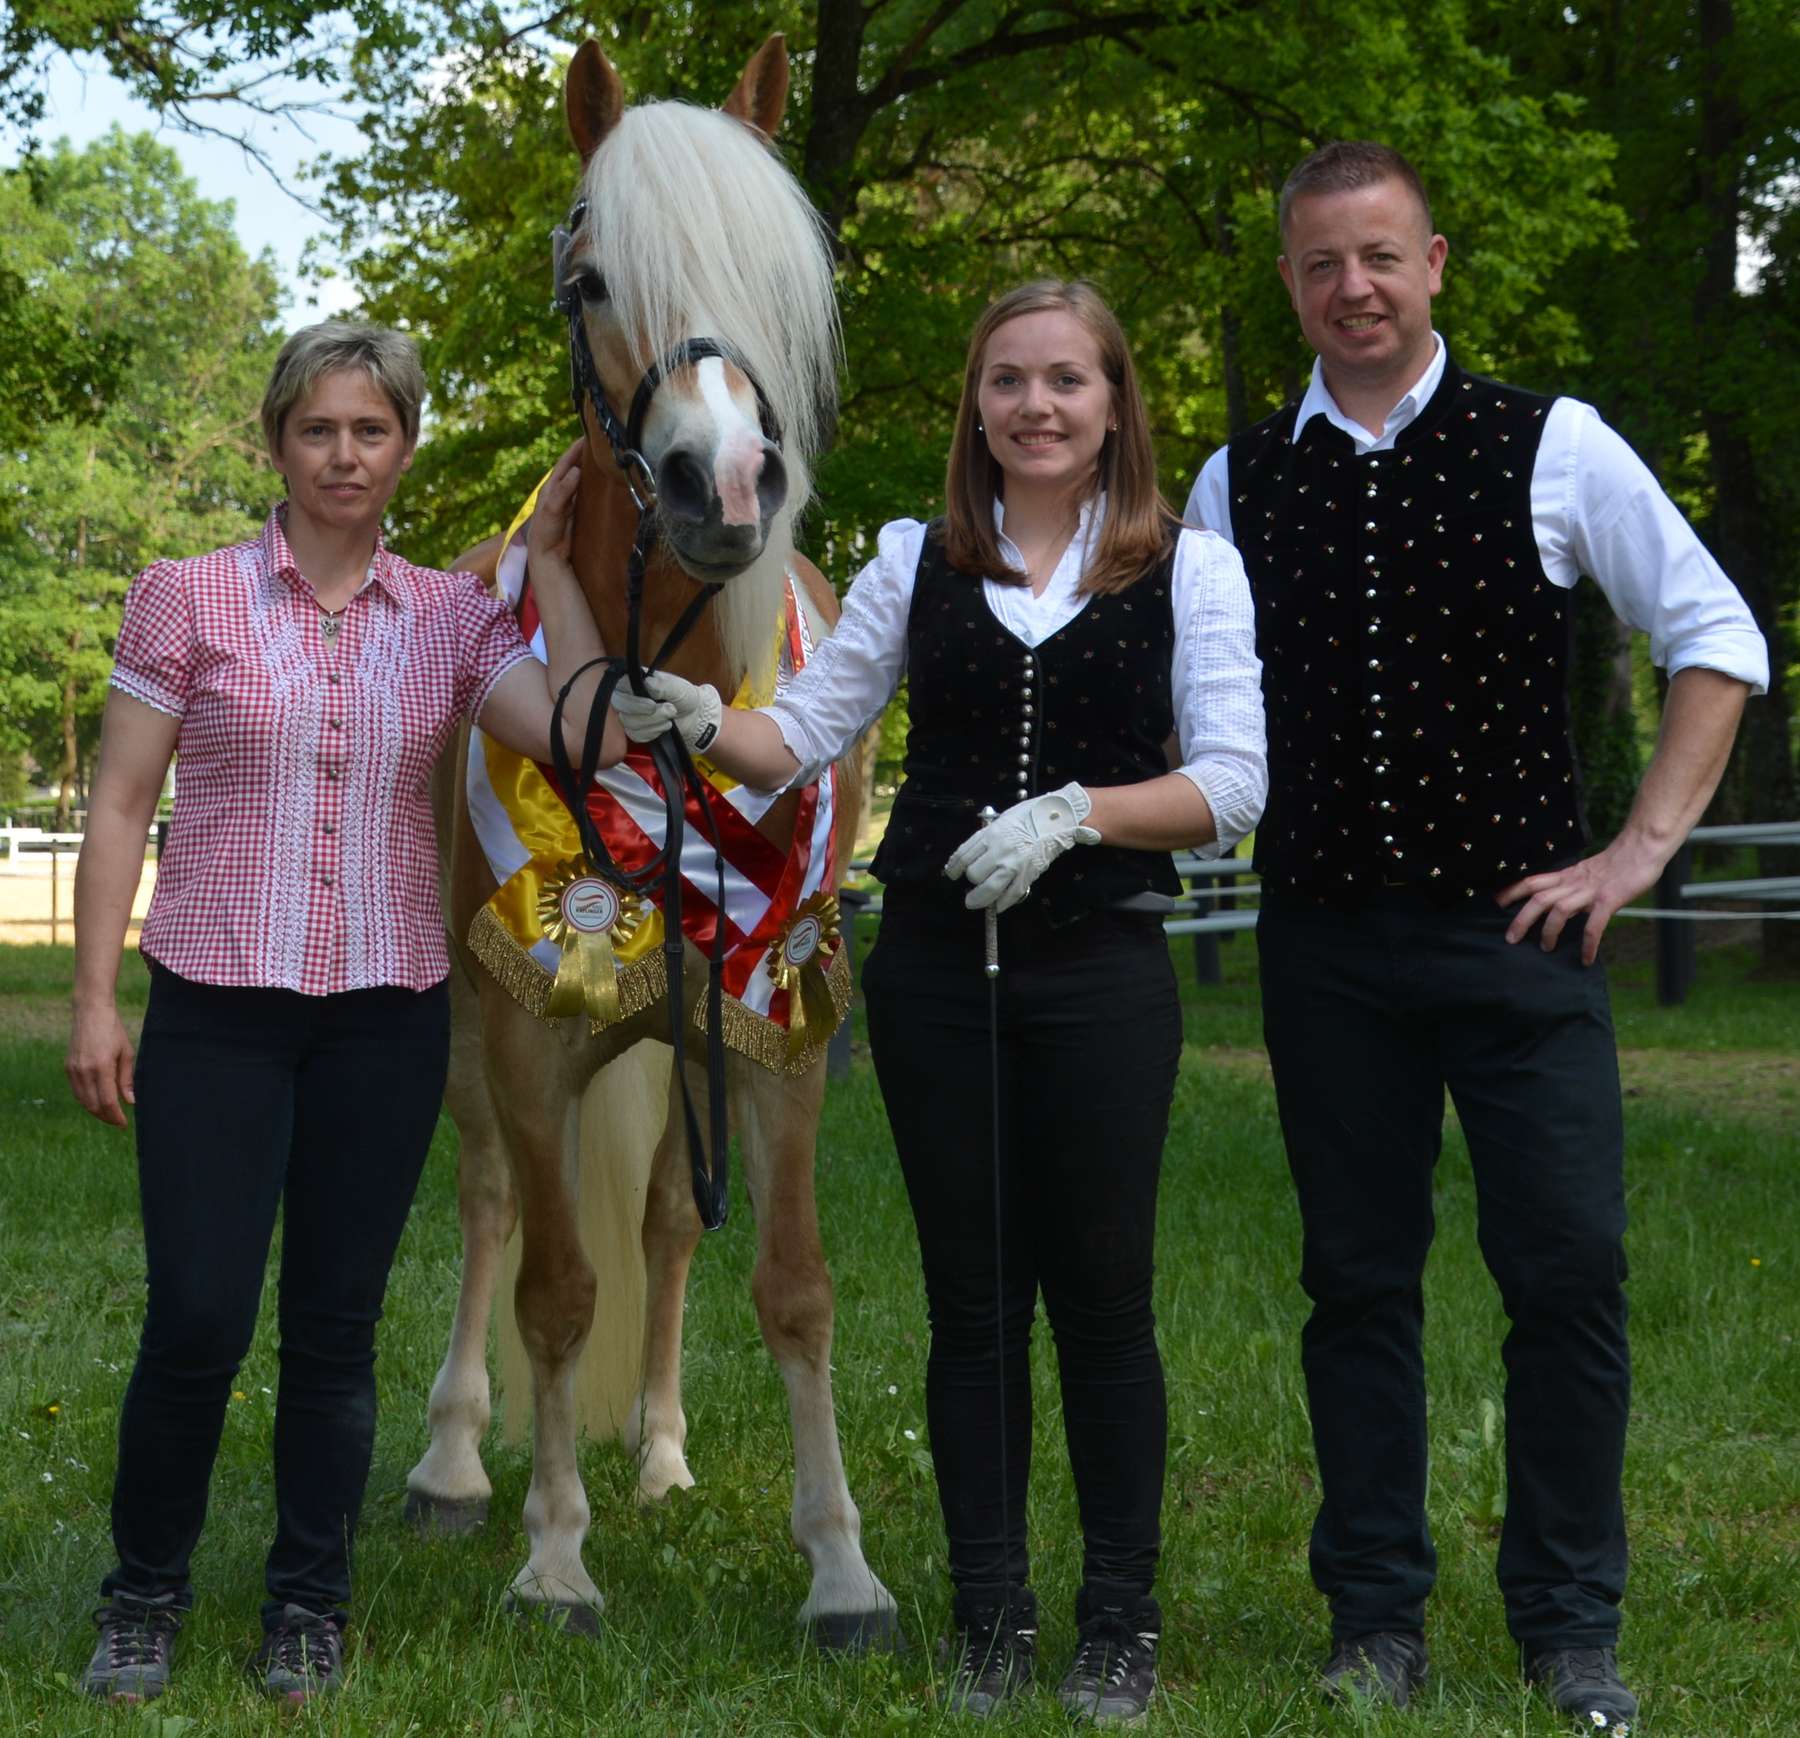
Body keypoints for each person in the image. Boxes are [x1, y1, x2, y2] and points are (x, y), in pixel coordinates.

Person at [607, 279, 1266, 1722]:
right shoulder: (917, 557)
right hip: (933, 982)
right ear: (977, 403)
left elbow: (1231, 783)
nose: (1036, 406)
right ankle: (989, 1611)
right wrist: (707, 723)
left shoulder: (1189, 567)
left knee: (1102, 1304)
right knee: (969, 1308)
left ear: (1113, 406)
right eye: (1010, 380)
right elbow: (803, 734)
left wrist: (1081, 813)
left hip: (1100, 976)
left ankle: (1119, 1620)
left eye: (1067, 382)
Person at [1188, 143, 1769, 1729]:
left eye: (1379, 257)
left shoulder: (1555, 445)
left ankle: (1573, 1623)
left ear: (1435, 261)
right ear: (1293, 284)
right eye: (1320, 265)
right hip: (1326, 944)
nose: (1352, 288)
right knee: (1358, 1282)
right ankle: (1376, 1618)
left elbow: (1717, 632)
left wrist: (1638, 848)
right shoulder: (1230, 483)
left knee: (1567, 1276)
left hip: (1522, 938)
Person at [64, 321, 604, 1704]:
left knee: (336, 1326)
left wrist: (547, 566)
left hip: (382, 1016)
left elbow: (581, 729)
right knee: (196, 1314)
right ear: (276, 440)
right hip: (217, 1006)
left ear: (405, 450)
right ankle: (144, 1594)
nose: (344, 454)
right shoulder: (183, 597)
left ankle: (308, 1598)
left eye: (372, 430)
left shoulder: (448, 618)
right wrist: (94, 999)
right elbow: (121, 802)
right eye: (319, 429)